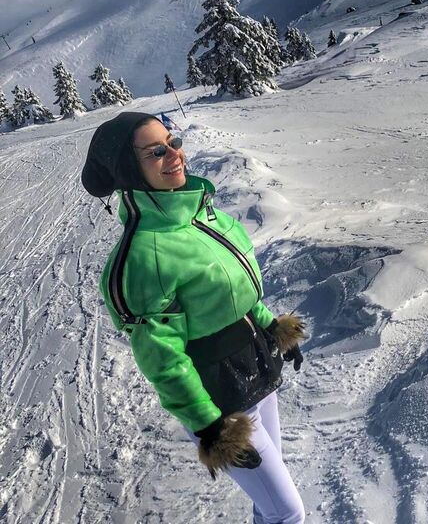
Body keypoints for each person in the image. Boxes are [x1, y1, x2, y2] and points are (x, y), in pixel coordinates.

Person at [81, 111, 306, 523]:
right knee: (288, 512)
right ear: (130, 169)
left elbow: (237, 293)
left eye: (173, 142)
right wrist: (209, 426)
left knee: (271, 503)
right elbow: (163, 360)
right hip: (222, 402)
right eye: (156, 152)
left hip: (257, 370)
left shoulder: (203, 215)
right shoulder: (143, 256)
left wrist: (272, 327)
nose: (175, 155)